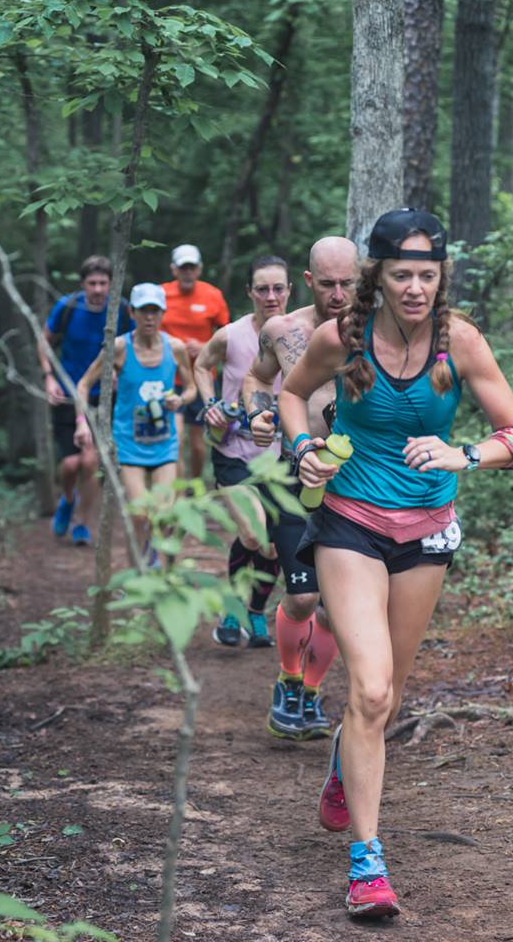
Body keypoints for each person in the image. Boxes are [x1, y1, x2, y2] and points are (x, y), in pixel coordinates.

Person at [278, 208, 513, 918]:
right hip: (350, 524)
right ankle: (367, 866)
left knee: (382, 698)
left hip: (427, 534)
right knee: (375, 689)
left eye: (427, 274)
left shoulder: (460, 345)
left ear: (440, 277)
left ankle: (342, 765)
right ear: (377, 278)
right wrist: (303, 450)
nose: (416, 287)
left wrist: (465, 454)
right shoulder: (342, 339)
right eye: (401, 274)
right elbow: (292, 395)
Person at [242, 236, 358, 741]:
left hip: (357, 481)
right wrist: (257, 415)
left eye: (347, 283)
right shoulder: (283, 330)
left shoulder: (383, 333)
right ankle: (288, 680)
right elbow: (256, 379)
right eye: (327, 284)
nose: (338, 293)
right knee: (304, 597)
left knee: (337, 609)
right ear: (308, 282)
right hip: (295, 475)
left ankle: (309, 690)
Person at [193, 256, 290, 648]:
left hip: (284, 457)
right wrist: (211, 404)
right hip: (234, 450)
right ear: (250, 292)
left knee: (273, 545)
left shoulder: (301, 334)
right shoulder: (230, 335)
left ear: (289, 291)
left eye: (278, 288)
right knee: (252, 535)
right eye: (262, 289)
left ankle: (254, 613)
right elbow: (201, 365)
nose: (270, 296)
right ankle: (231, 607)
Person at [74, 283, 196, 566]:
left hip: (164, 442)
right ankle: (136, 576)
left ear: (163, 313)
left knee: (164, 513)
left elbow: (190, 389)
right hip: (128, 442)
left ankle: (162, 568)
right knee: (139, 515)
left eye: (155, 311)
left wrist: (179, 400)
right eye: (143, 311)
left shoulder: (175, 348)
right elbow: (83, 384)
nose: (149, 318)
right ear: (132, 312)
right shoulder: (118, 347)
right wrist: (82, 423)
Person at [38, 255, 132, 546]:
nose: (98, 289)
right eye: (92, 283)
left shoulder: (122, 309)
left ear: (111, 284)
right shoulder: (67, 307)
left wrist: (119, 370)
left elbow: (130, 346)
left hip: (103, 396)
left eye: (104, 283)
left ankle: (82, 522)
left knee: (90, 462)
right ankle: (67, 499)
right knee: (69, 464)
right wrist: (49, 377)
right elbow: (44, 341)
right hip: (67, 393)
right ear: (83, 284)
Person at [160, 244, 230, 481]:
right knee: (176, 440)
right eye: (183, 268)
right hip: (170, 378)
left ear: (199, 269)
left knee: (199, 446)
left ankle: (194, 486)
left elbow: (228, 337)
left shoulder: (213, 296)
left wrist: (204, 347)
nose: (187, 272)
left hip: (202, 379)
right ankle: (177, 494)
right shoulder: (161, 295)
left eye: (191, 267)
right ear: (174, 270)